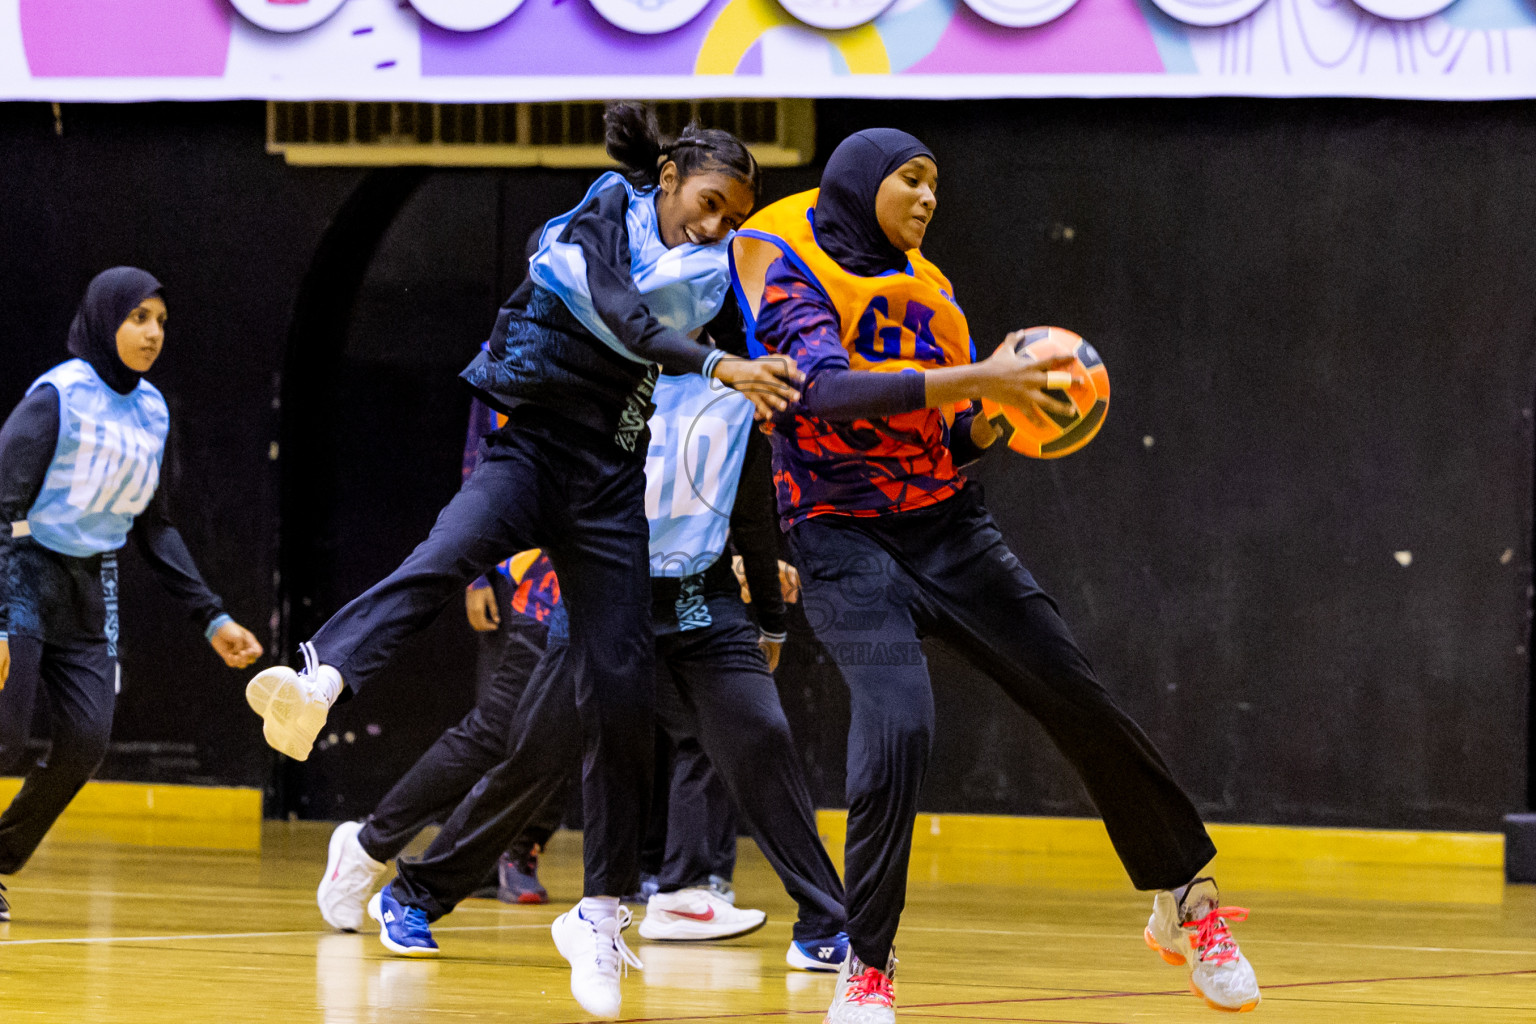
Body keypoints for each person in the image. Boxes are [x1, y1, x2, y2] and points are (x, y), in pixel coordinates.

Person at [244, 103, 802, 1018]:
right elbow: (625, 322)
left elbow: (764, 369)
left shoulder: (712, 278)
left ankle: (601, 912)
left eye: (734, 218)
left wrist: (799, 383)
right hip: (530, 452)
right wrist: (722, 370)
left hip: (610, 485)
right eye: (708, 204)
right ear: (667, 180)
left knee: (618, 696)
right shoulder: (584, 225)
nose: (717, 228)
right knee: (440, 560)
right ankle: (319, 681)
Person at [730, 129, 1262, 1021]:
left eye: (936, 183)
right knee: (898, 727)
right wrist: (982, 378)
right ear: (862, 186)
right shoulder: (786, 261)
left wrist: (1007, 420)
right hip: (839, 542)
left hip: (948, 531)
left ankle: (1186, 902)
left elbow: (942, 436)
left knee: (1076, 695)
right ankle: (866, 967)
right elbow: (819, 391)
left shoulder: (932, 291)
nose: (929, 198)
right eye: (912, 179)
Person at [356, 353, 850, 995]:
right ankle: (417, 893)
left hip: (703, 605)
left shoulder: (738, 389)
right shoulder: (606, 379)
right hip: (607, 596)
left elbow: (753, 511)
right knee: (537, 757)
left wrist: (773, 618)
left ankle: (824, 923)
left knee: (760, 736)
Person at [0, 267, 264, 921]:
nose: (151, 334)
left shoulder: (152, 410)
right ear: (102, 320)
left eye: (160, 322)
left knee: (86, 741)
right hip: (23, 569)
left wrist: (213, 616)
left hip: (90, 582)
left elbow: (156, 524)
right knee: (4, 736)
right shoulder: (56, 397)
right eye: (137, 317)